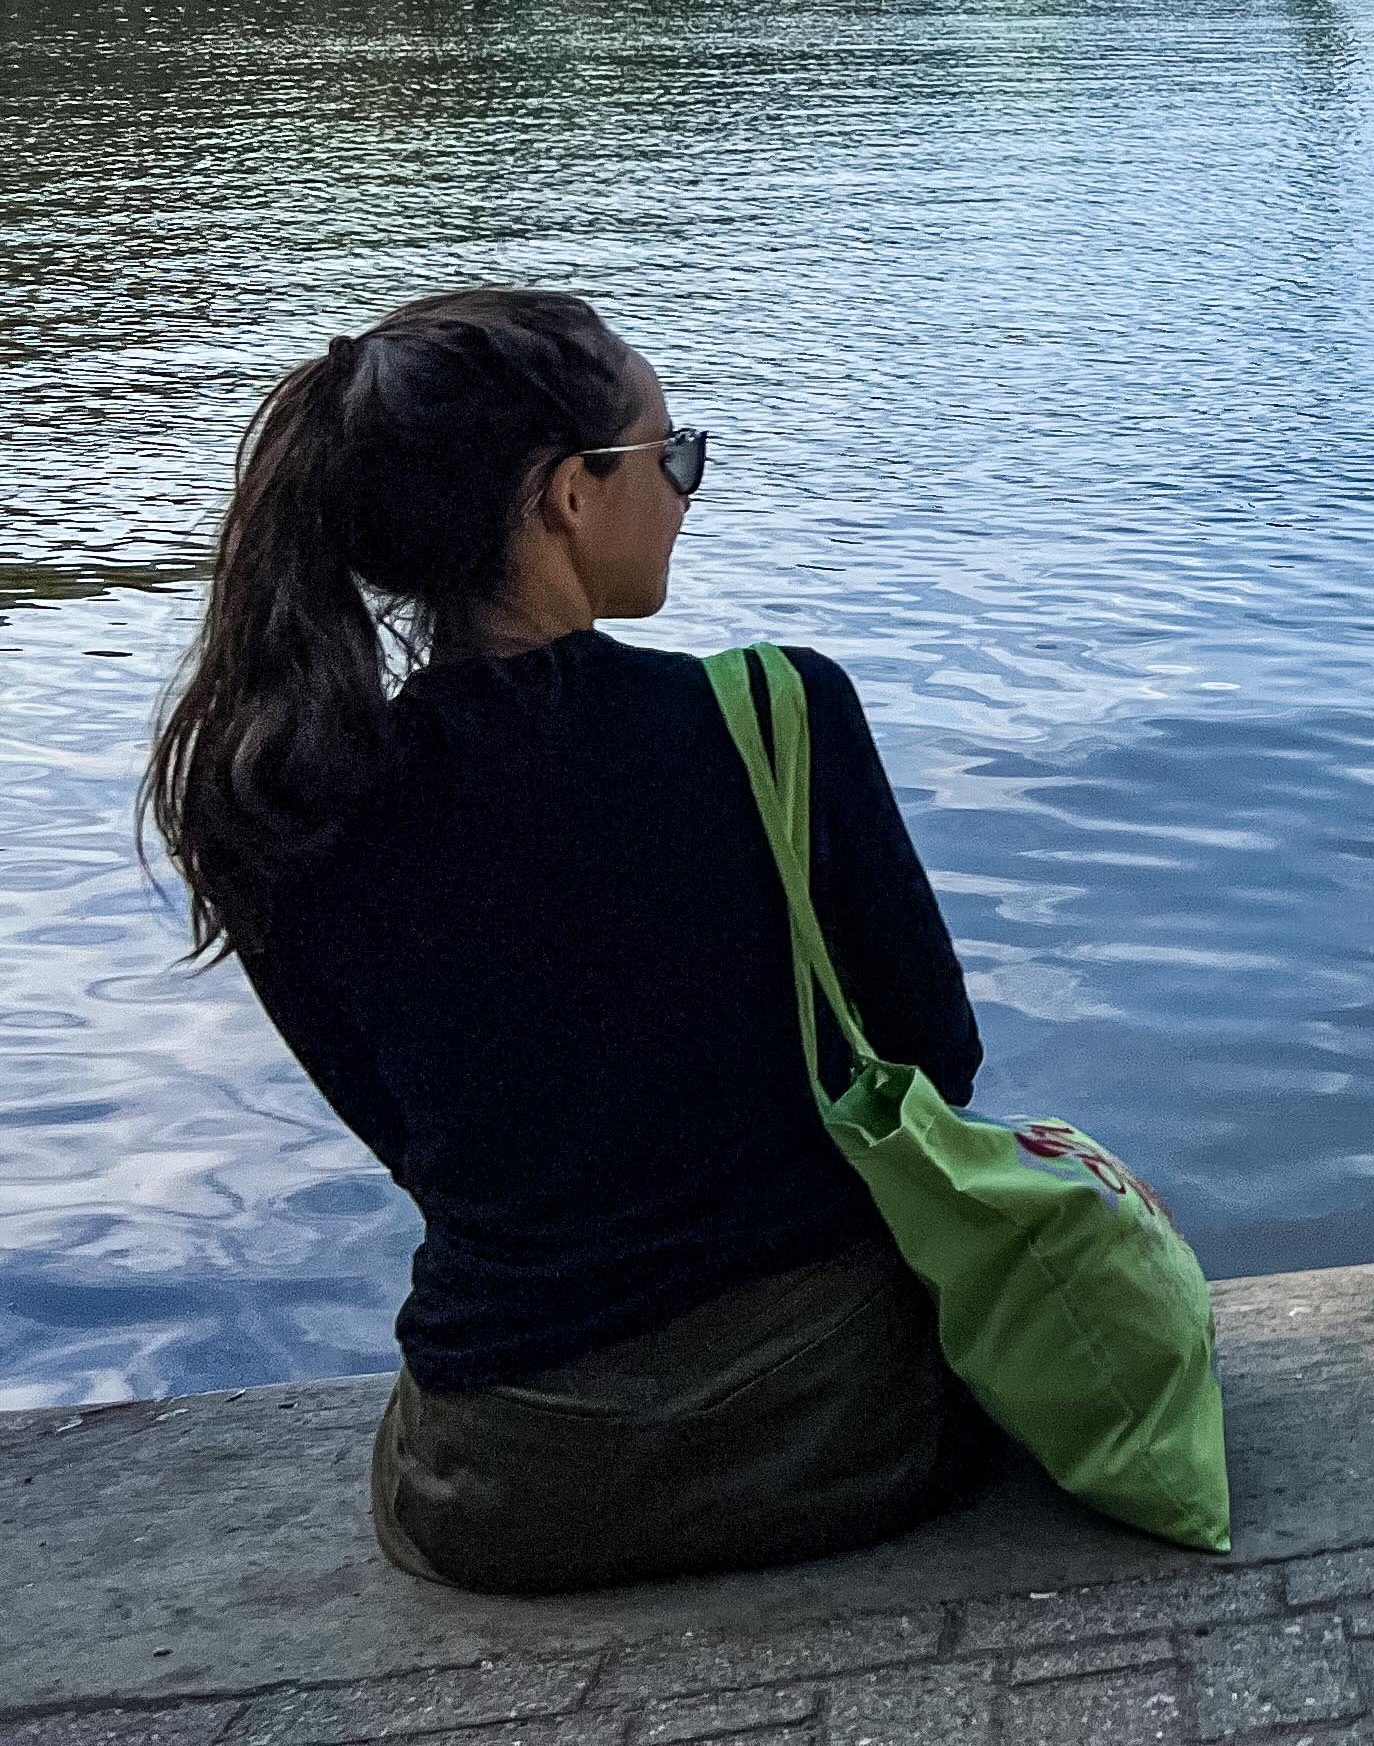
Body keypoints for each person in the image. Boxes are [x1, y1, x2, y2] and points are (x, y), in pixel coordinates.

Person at [143, 289, 991, 1596]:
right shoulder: (778, 715)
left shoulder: (283, 806)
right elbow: (935, 1057)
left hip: (496, 1496)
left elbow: (415, 1149)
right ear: (566, 497)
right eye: (673, 455)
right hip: (840, 1441)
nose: (690, 490)